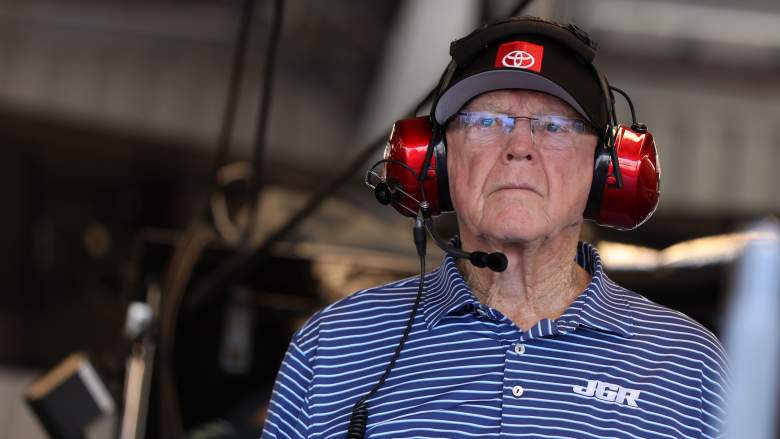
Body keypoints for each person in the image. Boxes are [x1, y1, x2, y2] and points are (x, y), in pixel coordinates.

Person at [261, 16, 727, 439]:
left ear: (607, 169)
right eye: (485, 121)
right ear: (436, 162)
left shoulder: (689, 366)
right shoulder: (337, 343)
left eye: (554, 126)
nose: (519, 145)